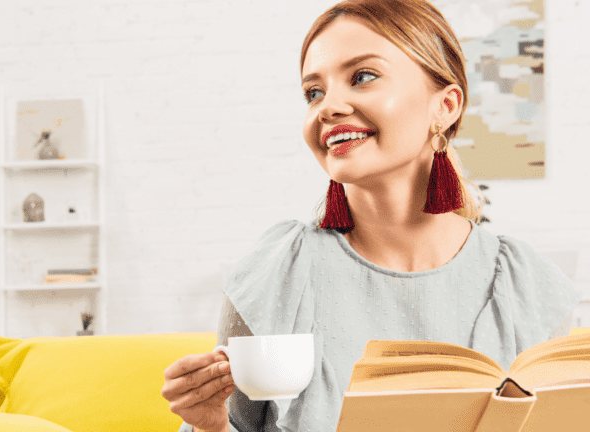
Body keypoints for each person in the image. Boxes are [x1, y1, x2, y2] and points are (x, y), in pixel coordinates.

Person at [161, 1, 580, 431]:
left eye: (362, 77)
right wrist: (208, 424)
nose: (328, 108)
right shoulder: (277, 274)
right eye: (313, 92)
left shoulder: (529, 287)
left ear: (446, 106)